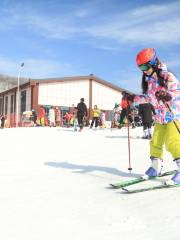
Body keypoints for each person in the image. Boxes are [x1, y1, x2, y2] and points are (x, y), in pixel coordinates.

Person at [136, 48, 180, 184]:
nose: (143, 70)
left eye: (144, 66)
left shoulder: (168, 77)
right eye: (140, 68)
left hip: (173, 115)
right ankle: (155, 167)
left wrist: (167, 95)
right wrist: (132, 98)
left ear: (153, 62)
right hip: (160, 118)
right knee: (155, 142)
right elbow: (148, 98)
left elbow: (176, 91)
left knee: (173, 142)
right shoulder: (150, 81)